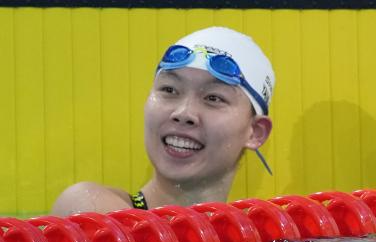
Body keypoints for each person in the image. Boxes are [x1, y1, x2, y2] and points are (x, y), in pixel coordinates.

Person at [52, 27, 274, 216]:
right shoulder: (92, 209)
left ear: (255, 132)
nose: (184, 113)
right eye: (169, 90)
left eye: (213, 98)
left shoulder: (258, 240)